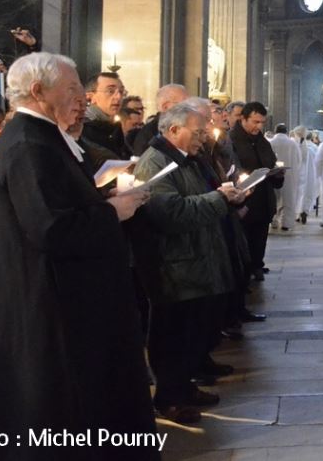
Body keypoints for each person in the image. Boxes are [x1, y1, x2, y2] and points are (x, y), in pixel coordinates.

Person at [0, 53, 156, 456]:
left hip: (64, 298)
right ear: (38, 91)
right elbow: (50, 227)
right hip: (47, 306)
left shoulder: (44, 137)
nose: (81, 98)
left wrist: (102, 197)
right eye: (71, 89)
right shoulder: (28, 143)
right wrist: (112, 211)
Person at [135, 101, 245, 424]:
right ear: (173, 130)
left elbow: (199, 197)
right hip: (174, 265)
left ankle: (184, 387)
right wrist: (219, 198)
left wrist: (227, 196)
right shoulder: (155, 163)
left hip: (195, 260)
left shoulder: (186, 160)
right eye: (197, 132)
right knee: (173, 336)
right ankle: (169, 399)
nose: (203, 137)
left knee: (192, 332)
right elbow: (171, 213)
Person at [229, 102, 283, 290]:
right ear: (243, 119)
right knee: (243, 239)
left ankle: (257, 265)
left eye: (262, 122)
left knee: (260, 236)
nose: (259, 127)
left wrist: (277, 174)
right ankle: (244, 272)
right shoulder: (232, 140)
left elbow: (270, 163)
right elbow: (231, 168)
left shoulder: (263, 142)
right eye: (255, 122)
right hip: (244, 200)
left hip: (263, 199)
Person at [127, 84, 189, 156]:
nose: (189, 109)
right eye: (184, 105)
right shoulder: (149, 135)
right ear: (165, 107)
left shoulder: (187, 129)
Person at [82, 71, 129, 157]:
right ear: (90, 97)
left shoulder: (115, 127)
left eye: (121, 92)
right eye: (110, 91)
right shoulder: (82, 127)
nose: (118, 97)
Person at [269, 125, 304, 230]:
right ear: (286, 132)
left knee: (274, 199)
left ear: (275, 131)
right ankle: (286, 223)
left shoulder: (270, 143)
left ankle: (273, 220)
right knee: (289, 199)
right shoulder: (293, 144)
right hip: (290, 175)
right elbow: (299, 160)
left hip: (273, 175)